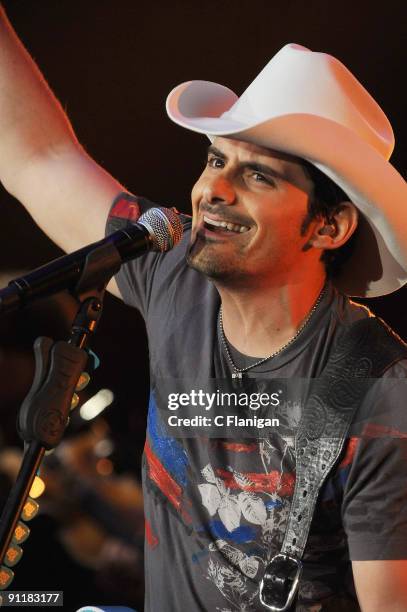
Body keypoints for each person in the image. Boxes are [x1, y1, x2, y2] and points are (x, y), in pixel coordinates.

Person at [0, 7, 406, 611]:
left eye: (258, 176)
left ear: (329, 226)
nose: (213, 189)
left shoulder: (382, 396)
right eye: (216, 159)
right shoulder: (175, 276)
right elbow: (39, 157)